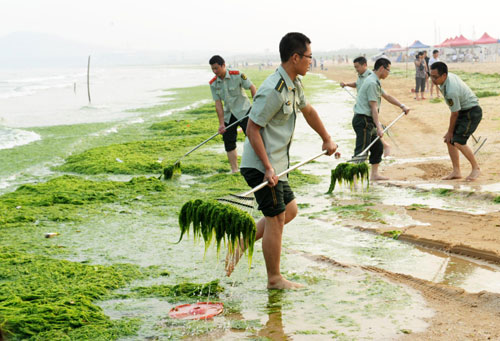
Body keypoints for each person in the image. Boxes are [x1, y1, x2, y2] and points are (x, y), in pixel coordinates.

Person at [235, 32, 338, 289]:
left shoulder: (294, 84)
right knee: (276, 218)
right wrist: (268, 168)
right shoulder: (274, 90)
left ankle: (241, 240)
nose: (311, 61)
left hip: (277, 164)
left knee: (289, 211)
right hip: (261, 165)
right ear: (295, 57)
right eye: (309, 57)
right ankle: (274, 279)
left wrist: (326, 138)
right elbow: (252, 129)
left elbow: (308, 111)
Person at [353, 57, 410, 180]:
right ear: (382, 68)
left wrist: (402, 106)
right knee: (362, 151)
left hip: (368, 120)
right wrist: (379, 127)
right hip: (363, 120)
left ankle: (374, 175)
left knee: (378, 147)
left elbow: (387, 96)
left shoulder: (375, 81)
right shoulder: (372, 82)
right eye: (388, 70)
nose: (388, 73)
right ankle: (353, 178)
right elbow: (373, 108)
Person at [429, 61, 482, 181]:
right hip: (463, 110)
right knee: (449, 140)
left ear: (444, 75)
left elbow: (454, 113)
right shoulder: (446, 79)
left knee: (457, 141)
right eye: (430, 76)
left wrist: (450, 131)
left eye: (435, 77)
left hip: (471, 112)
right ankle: (456, 171)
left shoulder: (450, 90)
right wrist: (449, 134)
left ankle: (476, 168)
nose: (432, 79)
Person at [209, 55, 257, 172]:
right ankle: (234, 170)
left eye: (216, 68)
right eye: (212, 69)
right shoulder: (213, 83)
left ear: (223, 65)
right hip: (229, 114)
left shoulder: (237, 74)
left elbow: (252, 87)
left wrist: (256, 108)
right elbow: (218, 104)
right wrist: (221, 124)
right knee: (228, 142)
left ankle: (256, 165)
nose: (215, 72)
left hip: (244, 111)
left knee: (254, 138)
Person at [340, 56, 392, 157]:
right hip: (363, 114)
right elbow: (357, 84)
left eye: (357, 67)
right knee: (364, 149)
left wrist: (401, 105)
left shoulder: (370, 77)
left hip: (367, 114)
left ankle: (385, 146)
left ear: (364, 65)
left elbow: (377, 102)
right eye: (355, 67)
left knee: (373, 145)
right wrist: (346, 84)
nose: (356, 70)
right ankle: (385, 145)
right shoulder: (362, 76)